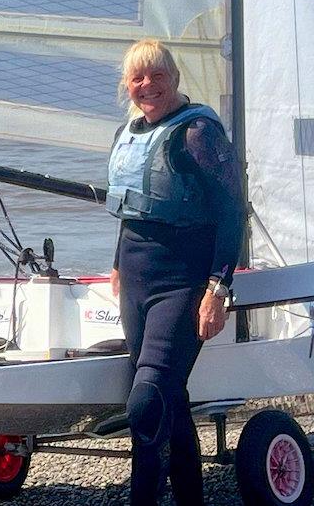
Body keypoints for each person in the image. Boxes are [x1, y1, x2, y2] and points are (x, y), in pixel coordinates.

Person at [106, 39, 246, 505]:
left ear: (175, 78)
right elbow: (130, 207)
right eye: (137, 78)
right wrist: (116, 265)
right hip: (135, 278)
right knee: (170, 398)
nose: (147, 86)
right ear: (128, 85)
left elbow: (232, 212)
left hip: (182, 284)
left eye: (156, 75)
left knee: (146, 404)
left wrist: (218, 288)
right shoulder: (129, 131)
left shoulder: (198, 134)